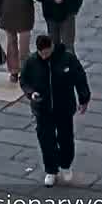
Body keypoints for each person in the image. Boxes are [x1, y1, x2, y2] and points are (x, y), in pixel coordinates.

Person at [20, 33, 91, 186]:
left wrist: (84, 98)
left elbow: (79, 77)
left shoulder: (67, 59)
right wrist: (31, 93)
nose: (44, 56)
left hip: (64, 107)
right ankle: (51, 170)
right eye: (41, 53)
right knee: (46, 140)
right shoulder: (32, 62)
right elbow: (24, 80)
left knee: (66, 138)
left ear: (51, 47)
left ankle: (65, 165)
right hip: (42, 108)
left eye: (46, 52)